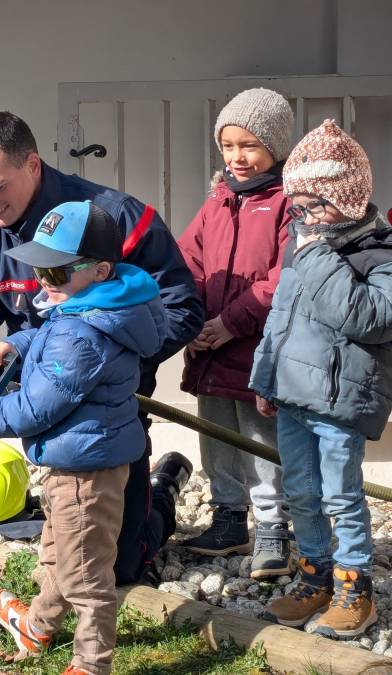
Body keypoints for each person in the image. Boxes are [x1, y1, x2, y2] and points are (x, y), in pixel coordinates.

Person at [0, 110, 204, 667]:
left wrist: (107, 365)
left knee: (119, 568)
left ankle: (160, 496)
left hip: (106, 409)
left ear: (32, 165)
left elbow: (182, 307)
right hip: (28, 380)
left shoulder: (120, 218)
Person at [0, 199, 169, 675]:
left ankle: (91, 664)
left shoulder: (82, 334)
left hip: (83, 472)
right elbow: (52, 334)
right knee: (61, 552)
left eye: (54, 274)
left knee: (87, 577)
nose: (44, 285)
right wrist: (18, 343)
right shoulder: (101, 306)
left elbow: (34, 408)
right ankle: (38, 625)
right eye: (40, 272)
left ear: (100, 269)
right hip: (86, 459)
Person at [251, 119, 392, 638]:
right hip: (292, 397)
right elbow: (280, 317)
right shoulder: (306, 246)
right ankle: (315, 576)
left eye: (317, 204)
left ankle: (356, 590)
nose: (305, 217)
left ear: (351, 199)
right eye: (299, 205)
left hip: (337, 405)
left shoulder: (378, 254)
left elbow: (369, 318)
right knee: (303, 494)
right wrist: (265, 378)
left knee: (340, 496)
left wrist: (315, 255)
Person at [177, 88, 294, 577]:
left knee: (261, 441)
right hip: (210, 345)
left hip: (257, 350)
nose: (237, 158)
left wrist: (230, 323)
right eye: (228, 146)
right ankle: (228, 519)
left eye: (249, 145)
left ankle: (272, 528)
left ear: (275, 146)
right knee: (216, 432)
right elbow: (188, 263)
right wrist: (193, 321)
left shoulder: (288, 202)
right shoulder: (217, 201)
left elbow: (283, 279)